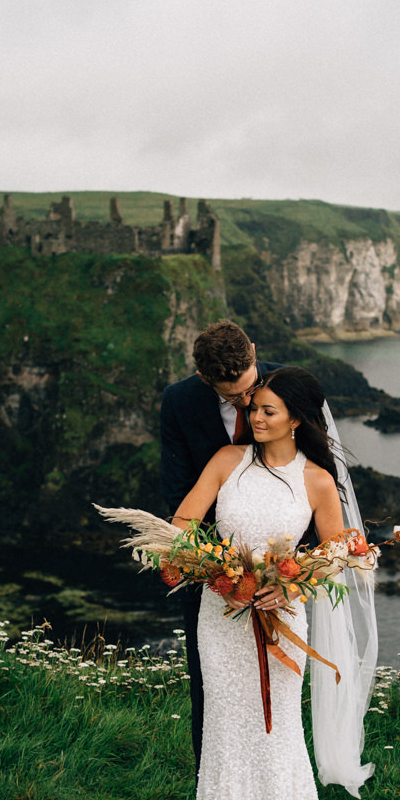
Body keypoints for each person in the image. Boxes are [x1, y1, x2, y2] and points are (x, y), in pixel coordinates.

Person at [168, 367, 400, 800]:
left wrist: (287, 589)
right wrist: (223, 577)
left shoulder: (318, 481)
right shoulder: (225, 462)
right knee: (226, 729)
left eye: (267, 411)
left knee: (277, 728)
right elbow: (181, 526)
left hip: (284, 621)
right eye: (254, 408)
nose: (254, 418)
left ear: (297, 421)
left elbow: (339, 555)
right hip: (221, 619)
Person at [160, 320, 279, 770]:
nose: (247, 404)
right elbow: (177, 488)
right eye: (232, 398)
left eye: (250, 390)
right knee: (210, 687)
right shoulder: (179, 400)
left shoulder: (289, 386)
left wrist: (286, 571)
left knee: (275, 689)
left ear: (254, 350)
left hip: (278, 569)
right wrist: (216, 567)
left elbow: (317, 479)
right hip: (208, 571)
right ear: (204, 379)